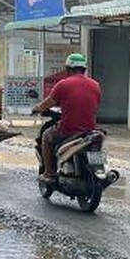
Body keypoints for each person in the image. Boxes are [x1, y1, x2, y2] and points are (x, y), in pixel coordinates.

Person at [31, 53, 101, 183]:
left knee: (46, 135)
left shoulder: (63, 84)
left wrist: (37, 109)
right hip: (90, 130)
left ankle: (49, 172)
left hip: (69, 129)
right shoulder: (95, 85)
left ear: (68, 69)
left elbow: (47, 103)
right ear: (84, 69)